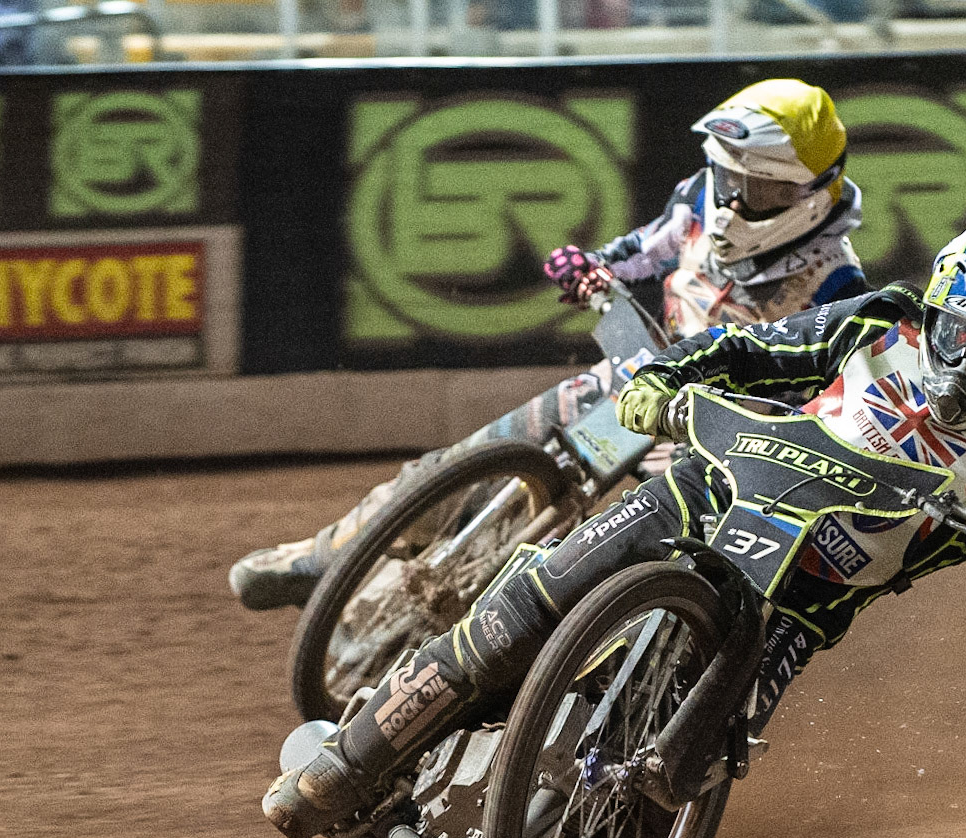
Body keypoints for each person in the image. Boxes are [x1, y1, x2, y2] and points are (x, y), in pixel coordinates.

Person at [262, 215, 966, 838]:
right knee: (527, 604)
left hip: (796, 608)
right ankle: (348, 763)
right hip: (706, 492)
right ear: (937, 305)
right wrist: (657, 383)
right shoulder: (880, 321)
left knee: (653, 809)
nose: (963, 361)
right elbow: (745, 350)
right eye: (958, 331)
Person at [229, 78, 869, 611]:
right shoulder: (699, 201)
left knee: (606, 581)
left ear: (811, 197)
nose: (732, 202)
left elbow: (822, 405)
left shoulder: (839, 285)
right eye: (728, 177)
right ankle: (323, 556)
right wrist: (593, 267)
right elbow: (642, 251)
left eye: (757, 191)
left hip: (711, 441)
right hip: (633, 377)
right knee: (457, 465)